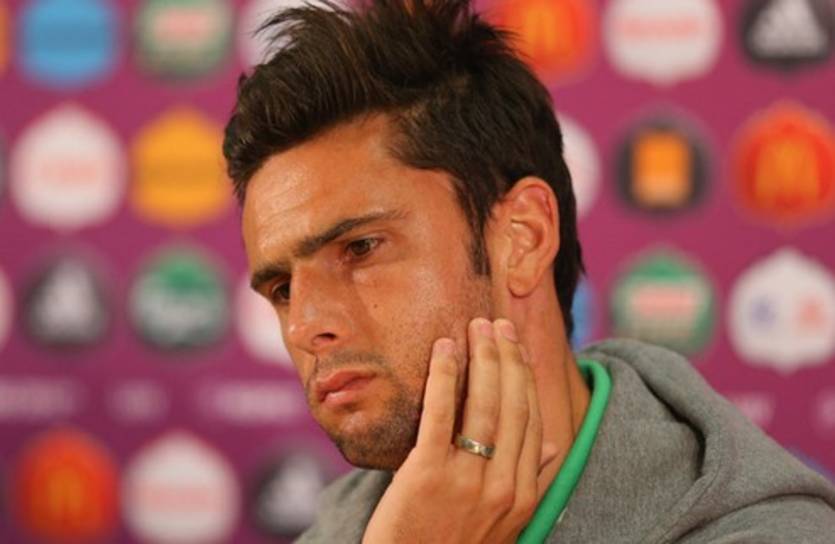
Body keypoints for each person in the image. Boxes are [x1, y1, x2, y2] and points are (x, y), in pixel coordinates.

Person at [222, 0, 835, 541]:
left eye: (360, 249)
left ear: (523, 238)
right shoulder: (345, 529)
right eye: (282, 288)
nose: (305, 325)